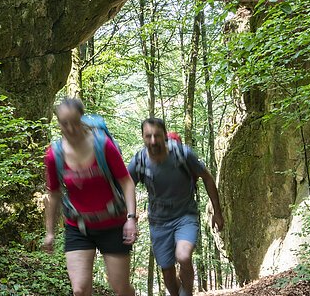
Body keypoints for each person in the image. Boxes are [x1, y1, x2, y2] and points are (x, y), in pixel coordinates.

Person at [42, 98, 138, 296]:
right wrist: (49, 232)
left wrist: (131, 219)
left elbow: (126, 182)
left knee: (120, 288)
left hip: (112, 224)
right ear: (58, 123)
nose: (70, 128)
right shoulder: (54, 155)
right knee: (79, 289)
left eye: (74, 122)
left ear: (82, 119)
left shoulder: (103, 146)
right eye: (64, 123)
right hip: (79, 226)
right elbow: (53, 194)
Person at [128, 118, 225, 296]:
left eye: (157, 135)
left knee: (183, 256)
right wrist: (130, 218)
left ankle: (187, 293)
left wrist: (217, 212)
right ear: (142, 137)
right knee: (167, 273)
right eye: (148, 136)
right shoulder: (139, 161)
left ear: (165, 135)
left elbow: (207, 177)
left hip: (185, 215)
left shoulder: (183, 154)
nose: (153, 140)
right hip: (158, 222)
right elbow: (126, 186)